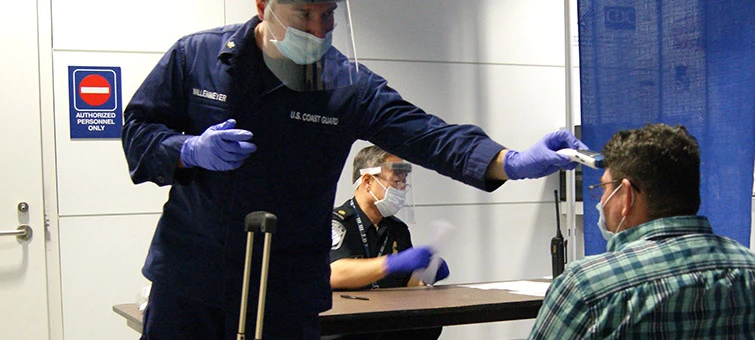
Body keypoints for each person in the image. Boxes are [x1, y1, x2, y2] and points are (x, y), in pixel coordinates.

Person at [121, 0, 587, 338]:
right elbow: (138, 130)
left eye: (329, 15)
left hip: (286, 287)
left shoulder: (346, 84)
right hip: (192, 276)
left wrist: (510, 161)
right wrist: (187, 149)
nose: (319, 30)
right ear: (264, 5)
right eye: (305, 14)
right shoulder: (197, 57)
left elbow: (426, 134)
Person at [528, 124, 755, 339]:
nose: (602, 199)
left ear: (626, 194)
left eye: (604, 188)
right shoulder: (754, 274)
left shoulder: (588, 286)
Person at [324, 146, 447, 340]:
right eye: (395, 181)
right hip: (346, 326)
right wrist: (391, 263)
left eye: (403, 183)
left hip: (385, 324)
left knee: (428, 326)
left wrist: (426, 273)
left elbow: (408, 285)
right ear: (367, 181)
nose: (400, 189)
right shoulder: (336, 223)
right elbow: (333, 273)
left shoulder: (397, 229)